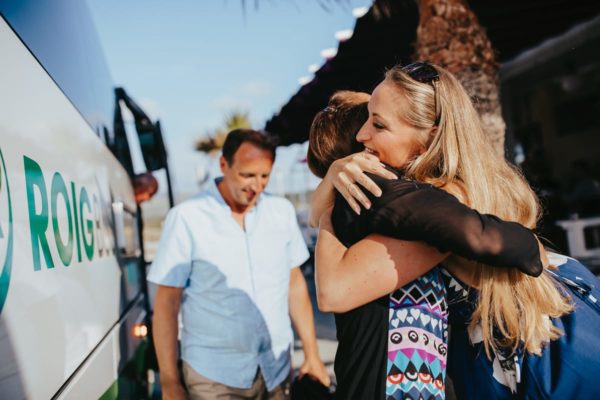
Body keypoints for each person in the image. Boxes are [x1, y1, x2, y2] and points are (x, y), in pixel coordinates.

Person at [312, 63, 600, 398]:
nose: (363, 135)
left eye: (378, 124)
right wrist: (333, 178)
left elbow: (334, 289)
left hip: (537, 364)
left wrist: (331, 193)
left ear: (428, 138)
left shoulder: (440, 201)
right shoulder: (464, 186)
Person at [148, 129, 330, 400]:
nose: (256, 185)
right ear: (223, 164)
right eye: (247, 175)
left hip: (277, 370)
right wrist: (170, 381)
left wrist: (312, 355)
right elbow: (166, 304)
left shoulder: (281, 212)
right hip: (213, 377)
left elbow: (294, 286)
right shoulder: (186, 218)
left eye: (264, 176)